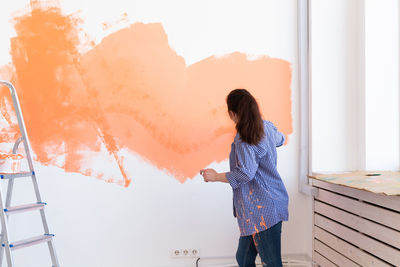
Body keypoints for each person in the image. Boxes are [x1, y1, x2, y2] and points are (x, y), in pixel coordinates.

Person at [200, 89, 289, 267]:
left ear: (232, 113)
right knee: (244, 258)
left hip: (262, 209)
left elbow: (245, 173)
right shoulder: (267, 127)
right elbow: (282, 139)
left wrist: (215, 176)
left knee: (271, 263)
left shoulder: (244, 139)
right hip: (260, 207)